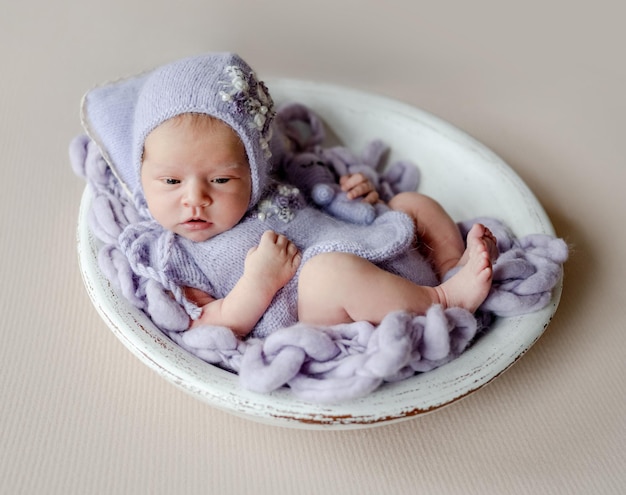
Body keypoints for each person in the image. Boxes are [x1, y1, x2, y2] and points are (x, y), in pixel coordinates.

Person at [82, 52, 497, 339]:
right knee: (327, 272)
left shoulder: (281, 181)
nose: (195, 199)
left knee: (411, 205)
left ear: (253, 170)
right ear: (142, 176)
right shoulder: (177, 255)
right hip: (323, 306)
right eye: (170, 182)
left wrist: (351, 198)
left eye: (221, 180)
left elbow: (321, 205)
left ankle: (447, 266)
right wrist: (259, 282)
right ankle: (441, 300)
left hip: (376, 258)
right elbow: (207, 326)